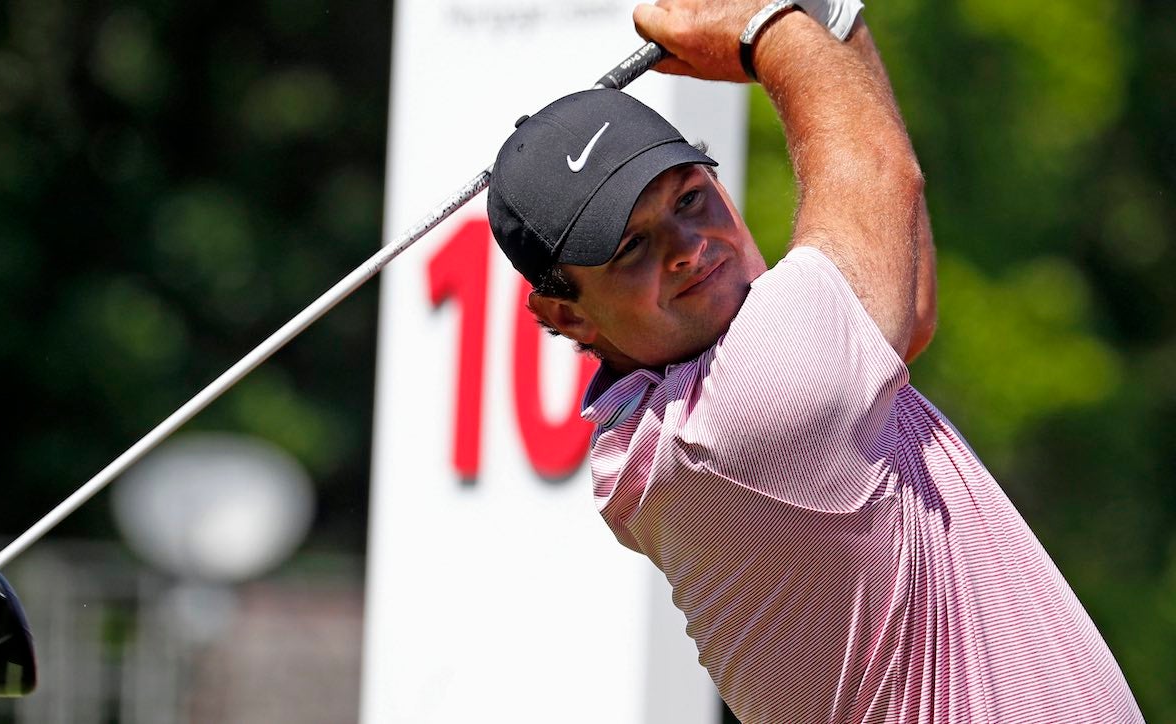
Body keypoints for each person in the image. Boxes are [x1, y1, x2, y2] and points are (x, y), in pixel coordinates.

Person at [485, 0, 1144, 721]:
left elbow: (905, 305)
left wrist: (831, 24)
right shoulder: (728, 428)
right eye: (631, 248)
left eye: (691, 198)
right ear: (565, 314)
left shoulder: (685, 426)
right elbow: (875, 172)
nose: (685, 246)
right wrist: (770, 27)